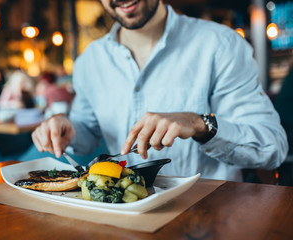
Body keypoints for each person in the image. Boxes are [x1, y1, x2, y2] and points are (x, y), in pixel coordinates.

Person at [32, 0, 288, 181]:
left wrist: (200, 124)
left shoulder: (220, 45)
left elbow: (272, 147)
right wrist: (66, 127)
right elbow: (86, 131)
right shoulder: (89, 61)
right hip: (120, 218)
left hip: (209, 215)